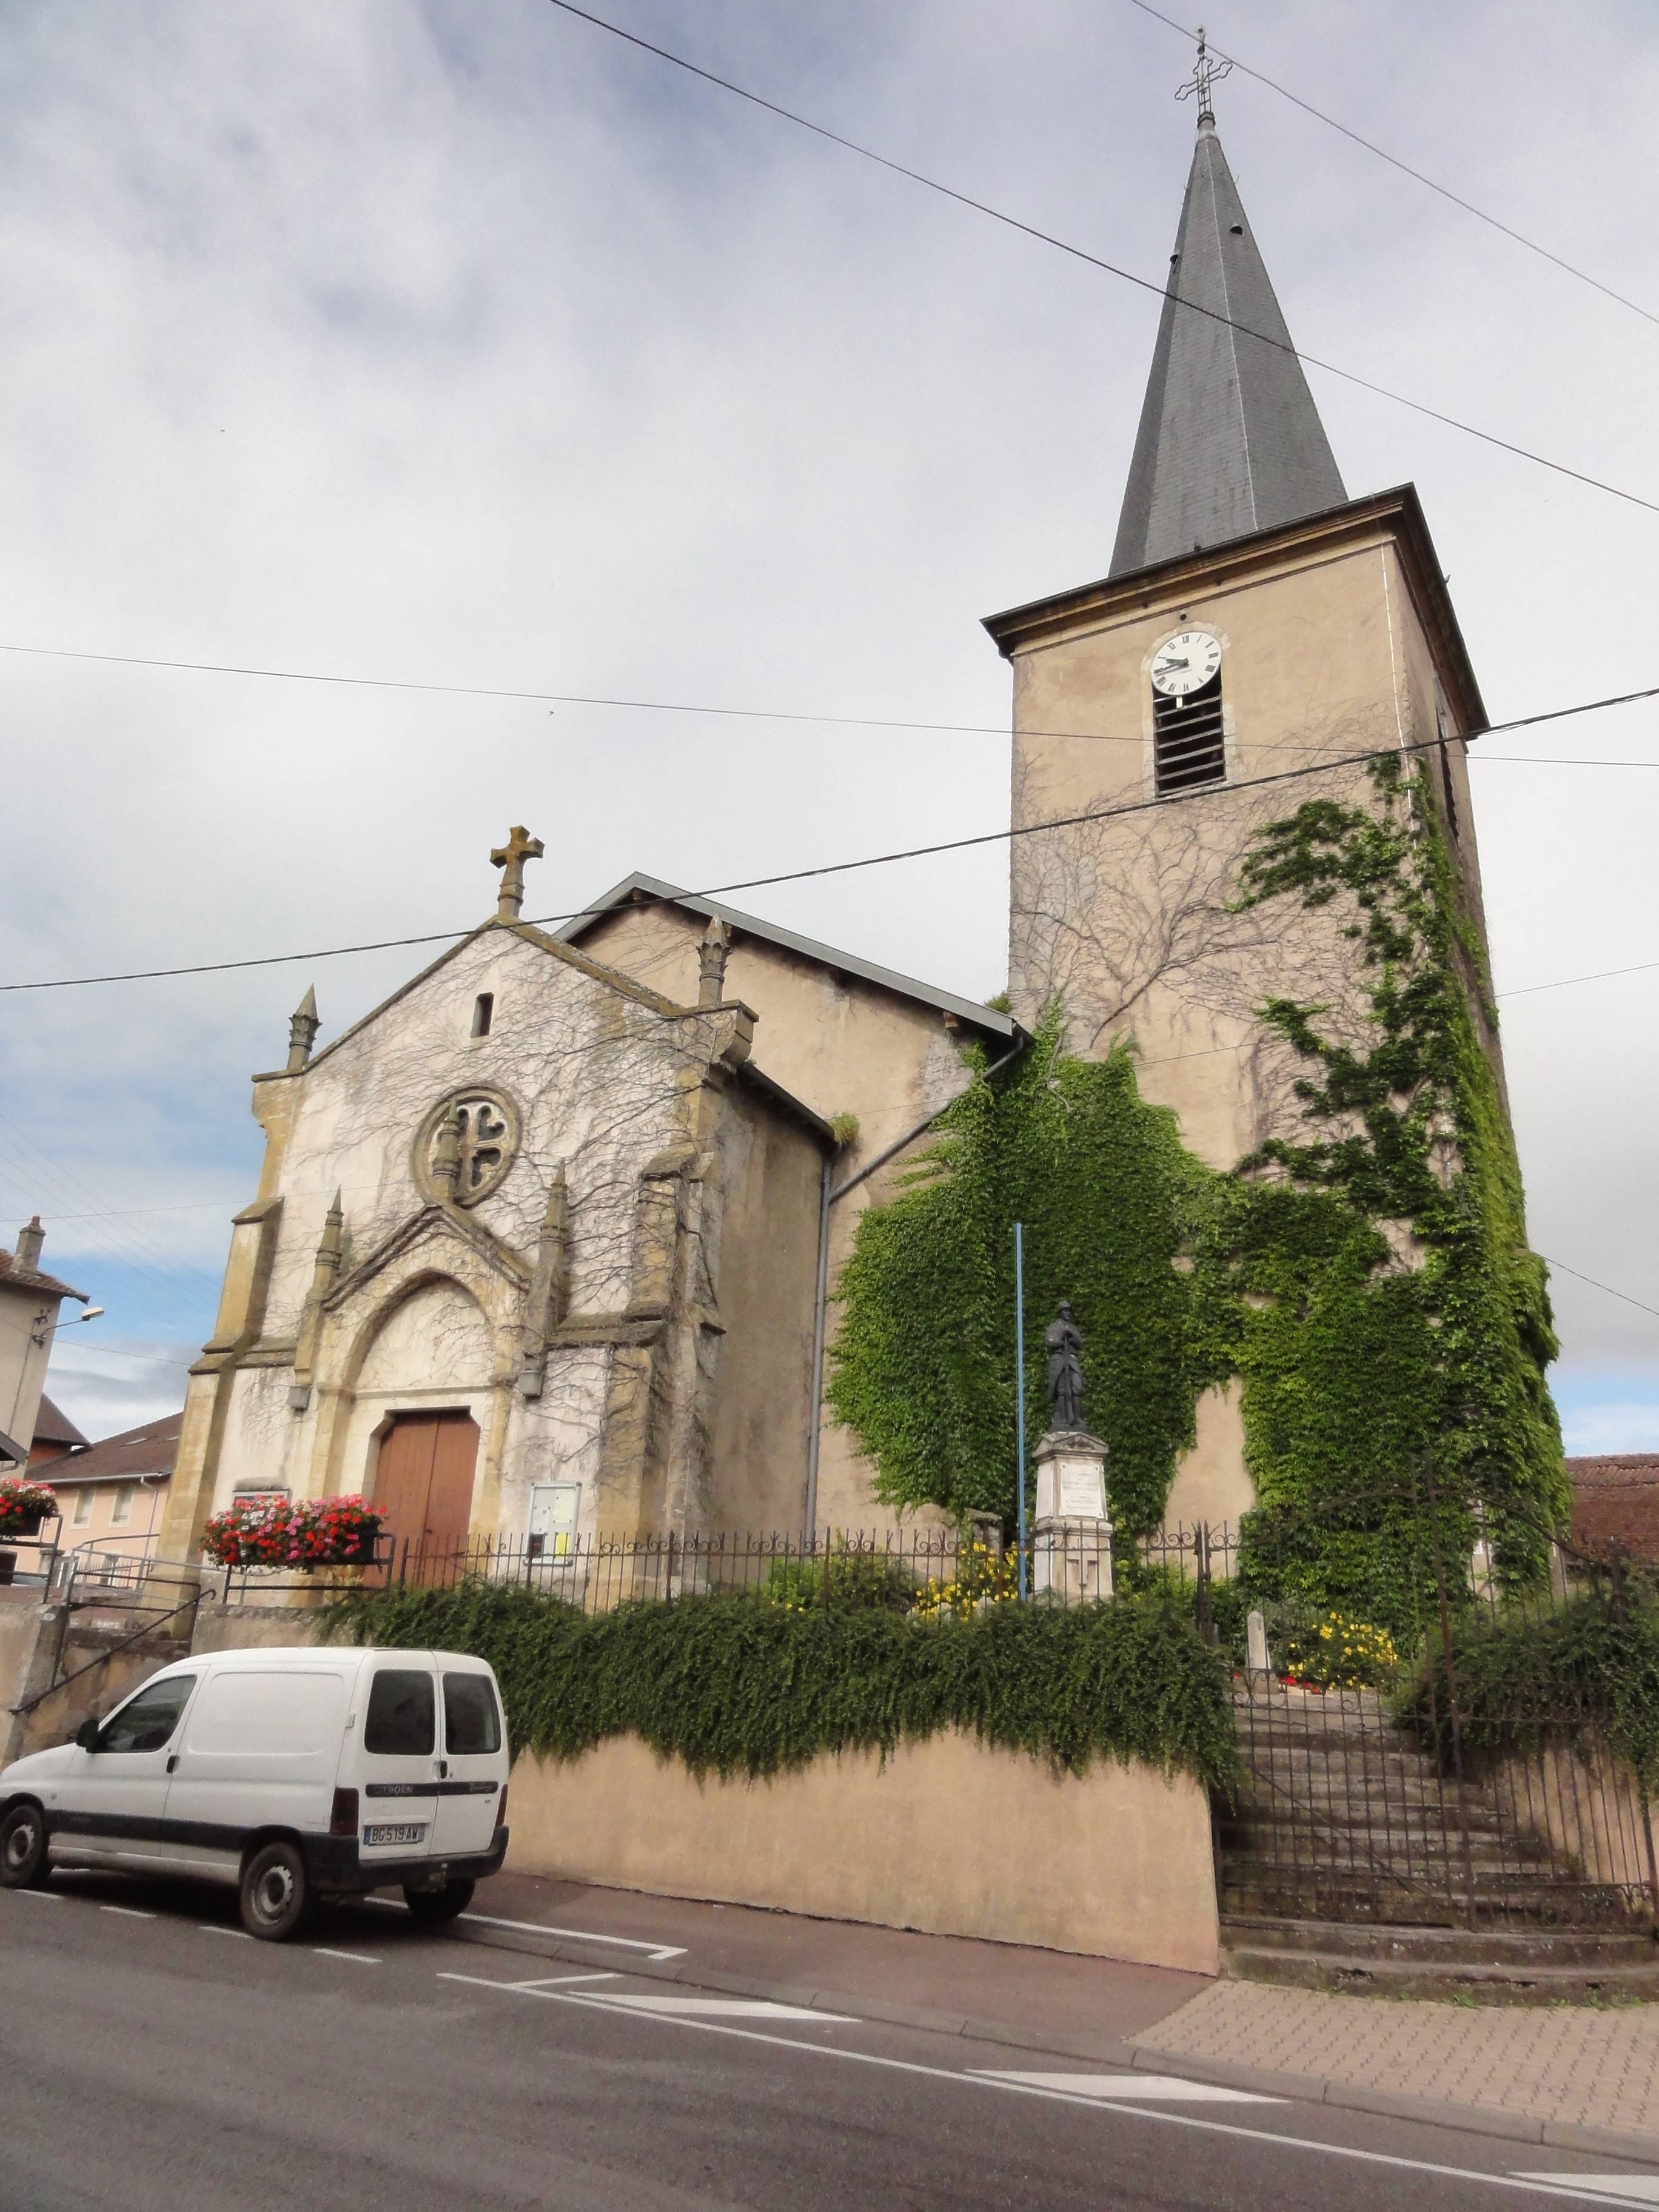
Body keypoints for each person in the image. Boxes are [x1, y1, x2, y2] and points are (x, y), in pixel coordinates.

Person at [1045, 1302, 1086, 1431]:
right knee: (1062, 1390)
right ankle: (1062, 1419)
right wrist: (1062, 1338)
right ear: (1060, 1313)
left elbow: (1080, 1344)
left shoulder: (1073, 1328)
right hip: (1059, 1357)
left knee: (1077, 1388)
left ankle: (1077, 1418)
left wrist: (1072, 1336)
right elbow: (1050, 1342)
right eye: (1065, 1311)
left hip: (1072, 1359)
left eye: (1069, 1311)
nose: (1068, 1314)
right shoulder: (1054, 1327)